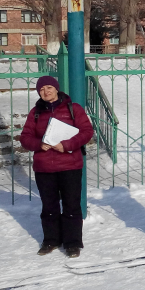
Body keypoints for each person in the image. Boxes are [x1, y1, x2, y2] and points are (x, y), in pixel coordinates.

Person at [20, 76, 94, 258]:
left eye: (49, 88)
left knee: (71, 205)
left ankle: (73, 242)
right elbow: (25, 137)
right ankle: (51, 239)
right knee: (49, 206)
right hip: (44, 168)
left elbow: (87, 132)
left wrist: (66, 145)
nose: (46, 92)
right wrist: (38, 144)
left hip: (70, 165)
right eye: (42, 89)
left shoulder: (73, 108)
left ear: (56, 89)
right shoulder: (35, 112)